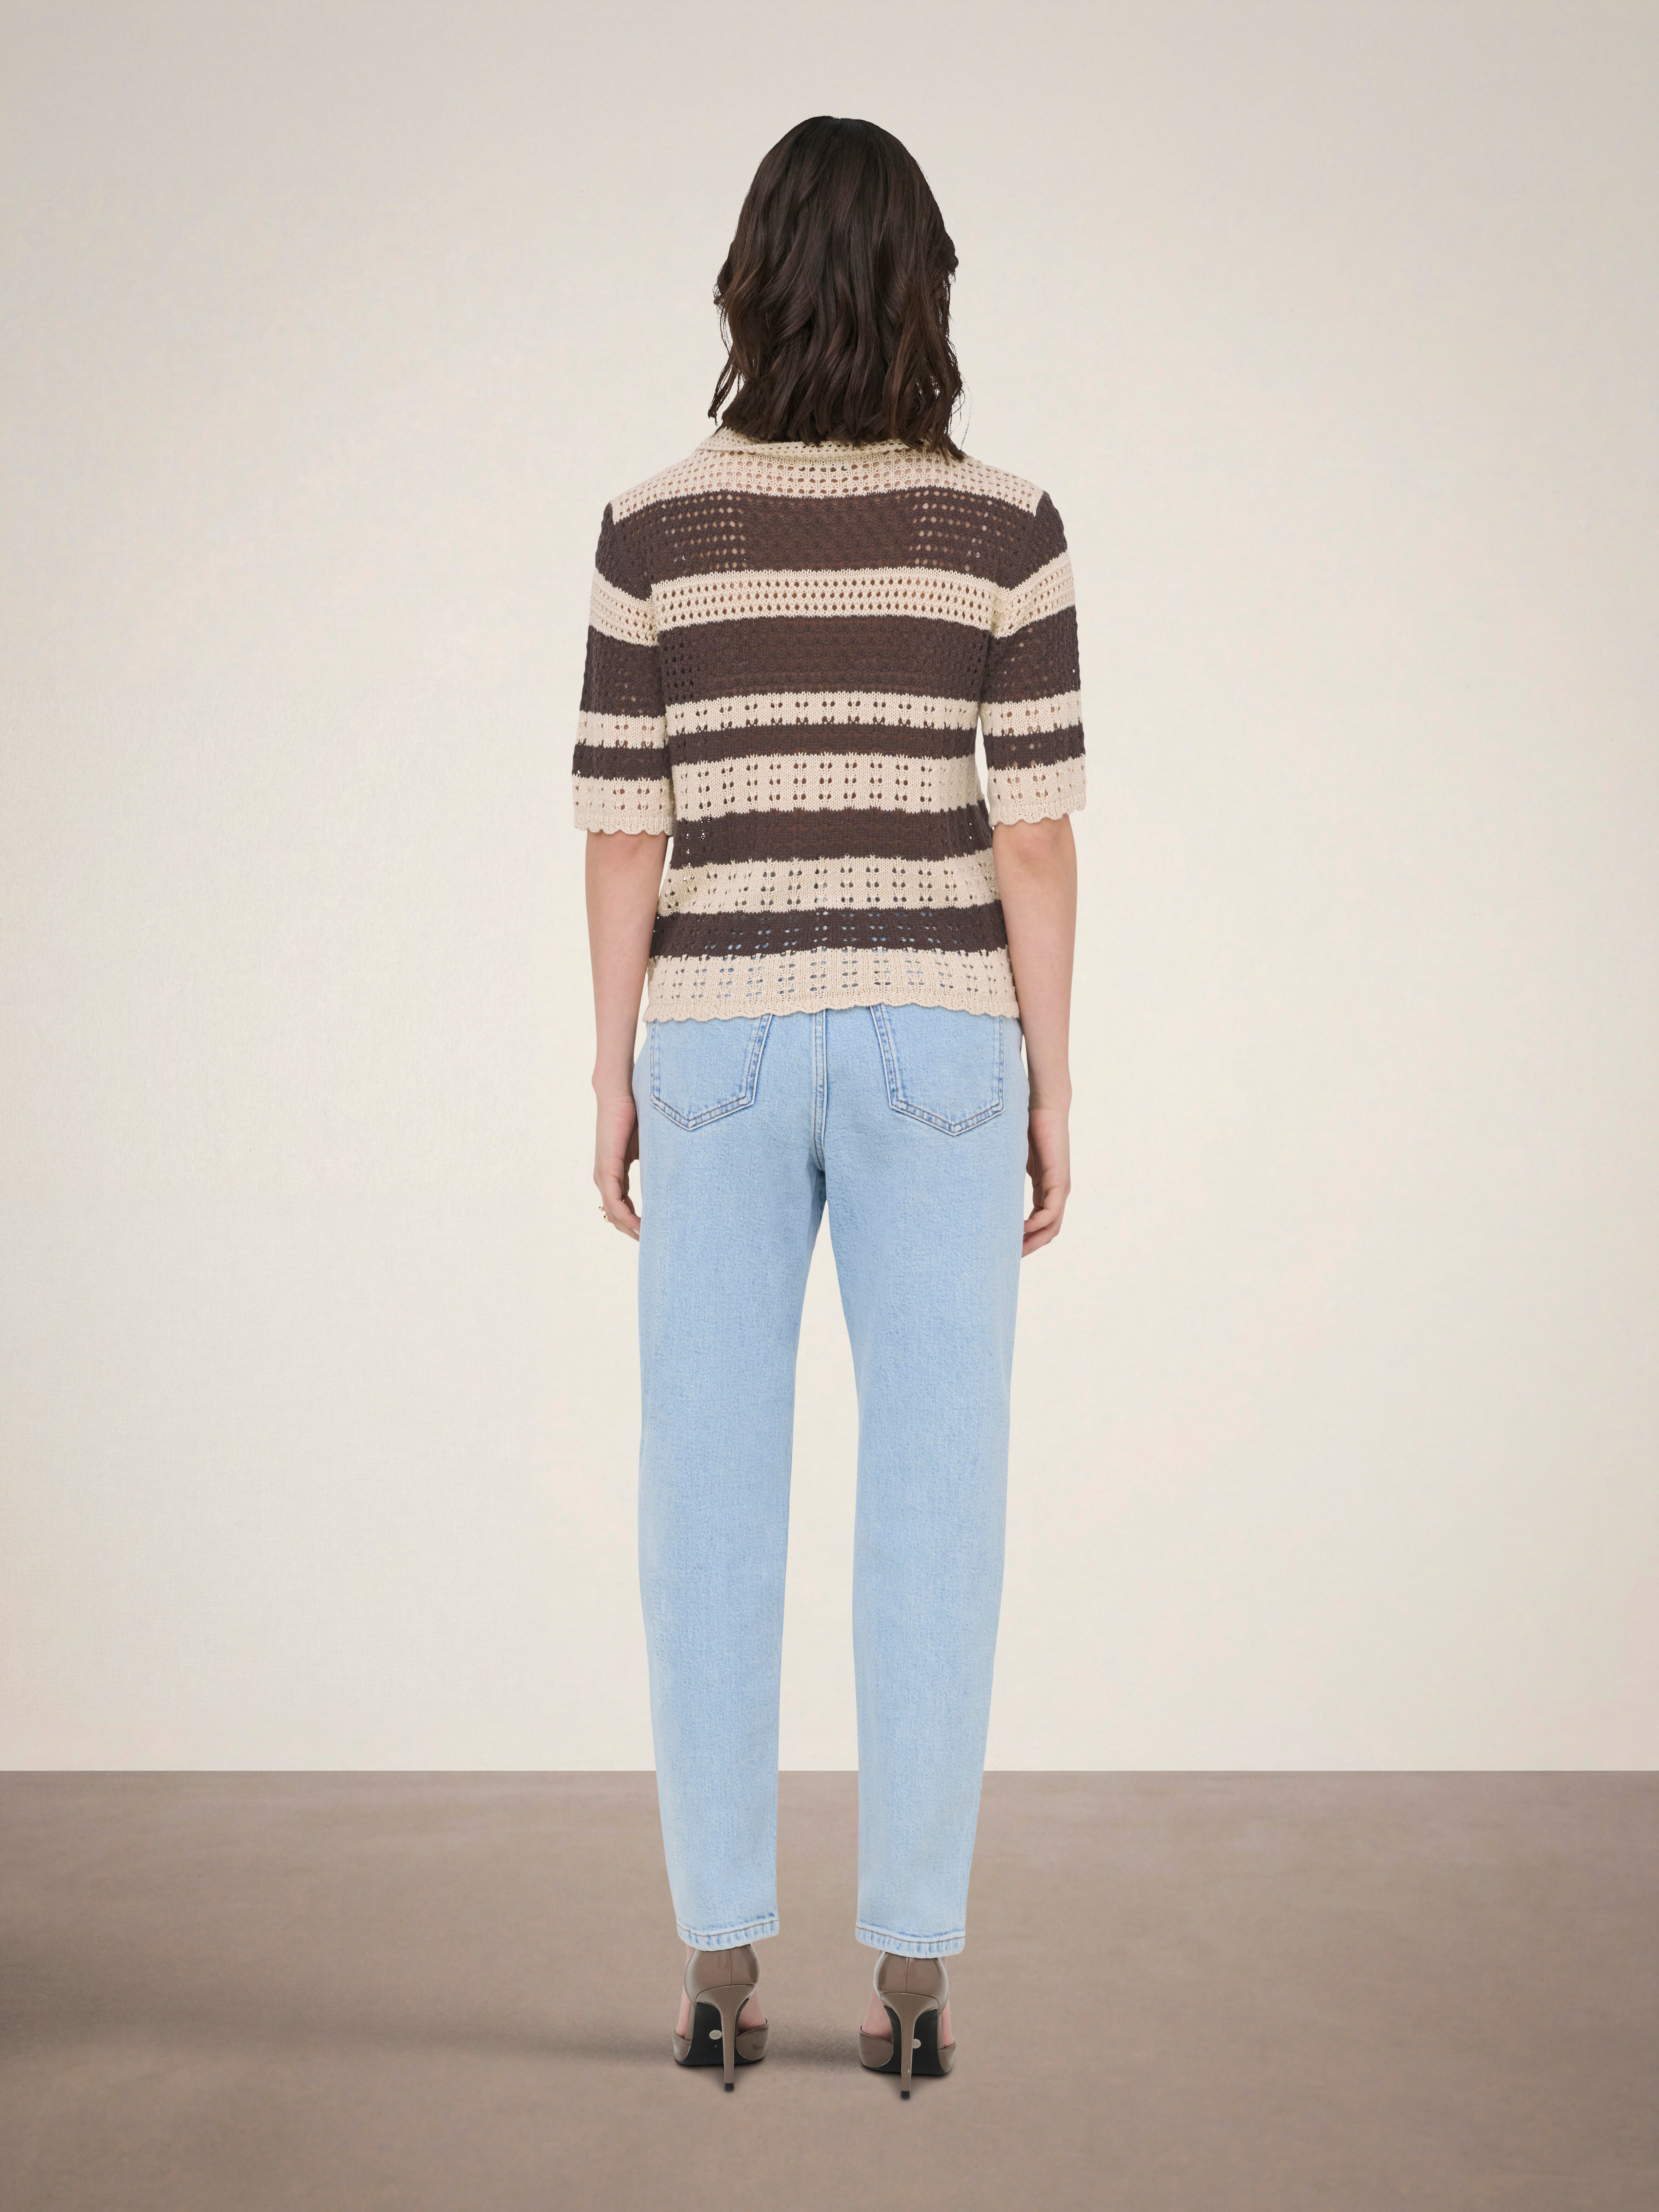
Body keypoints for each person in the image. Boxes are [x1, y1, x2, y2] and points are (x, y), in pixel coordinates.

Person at [573, 115, 1083, 2098]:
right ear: (925, 290)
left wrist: (608, 1068)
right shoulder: (1008, 529)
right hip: (942, 1037)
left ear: (749, 284)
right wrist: (1054, 1078)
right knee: (936, 1497)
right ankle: (915, 1977)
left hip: (710, 1035)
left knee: (705, 1494)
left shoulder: (650, 531)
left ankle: (719, 1963)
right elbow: (1030, 834)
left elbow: (626, 831)